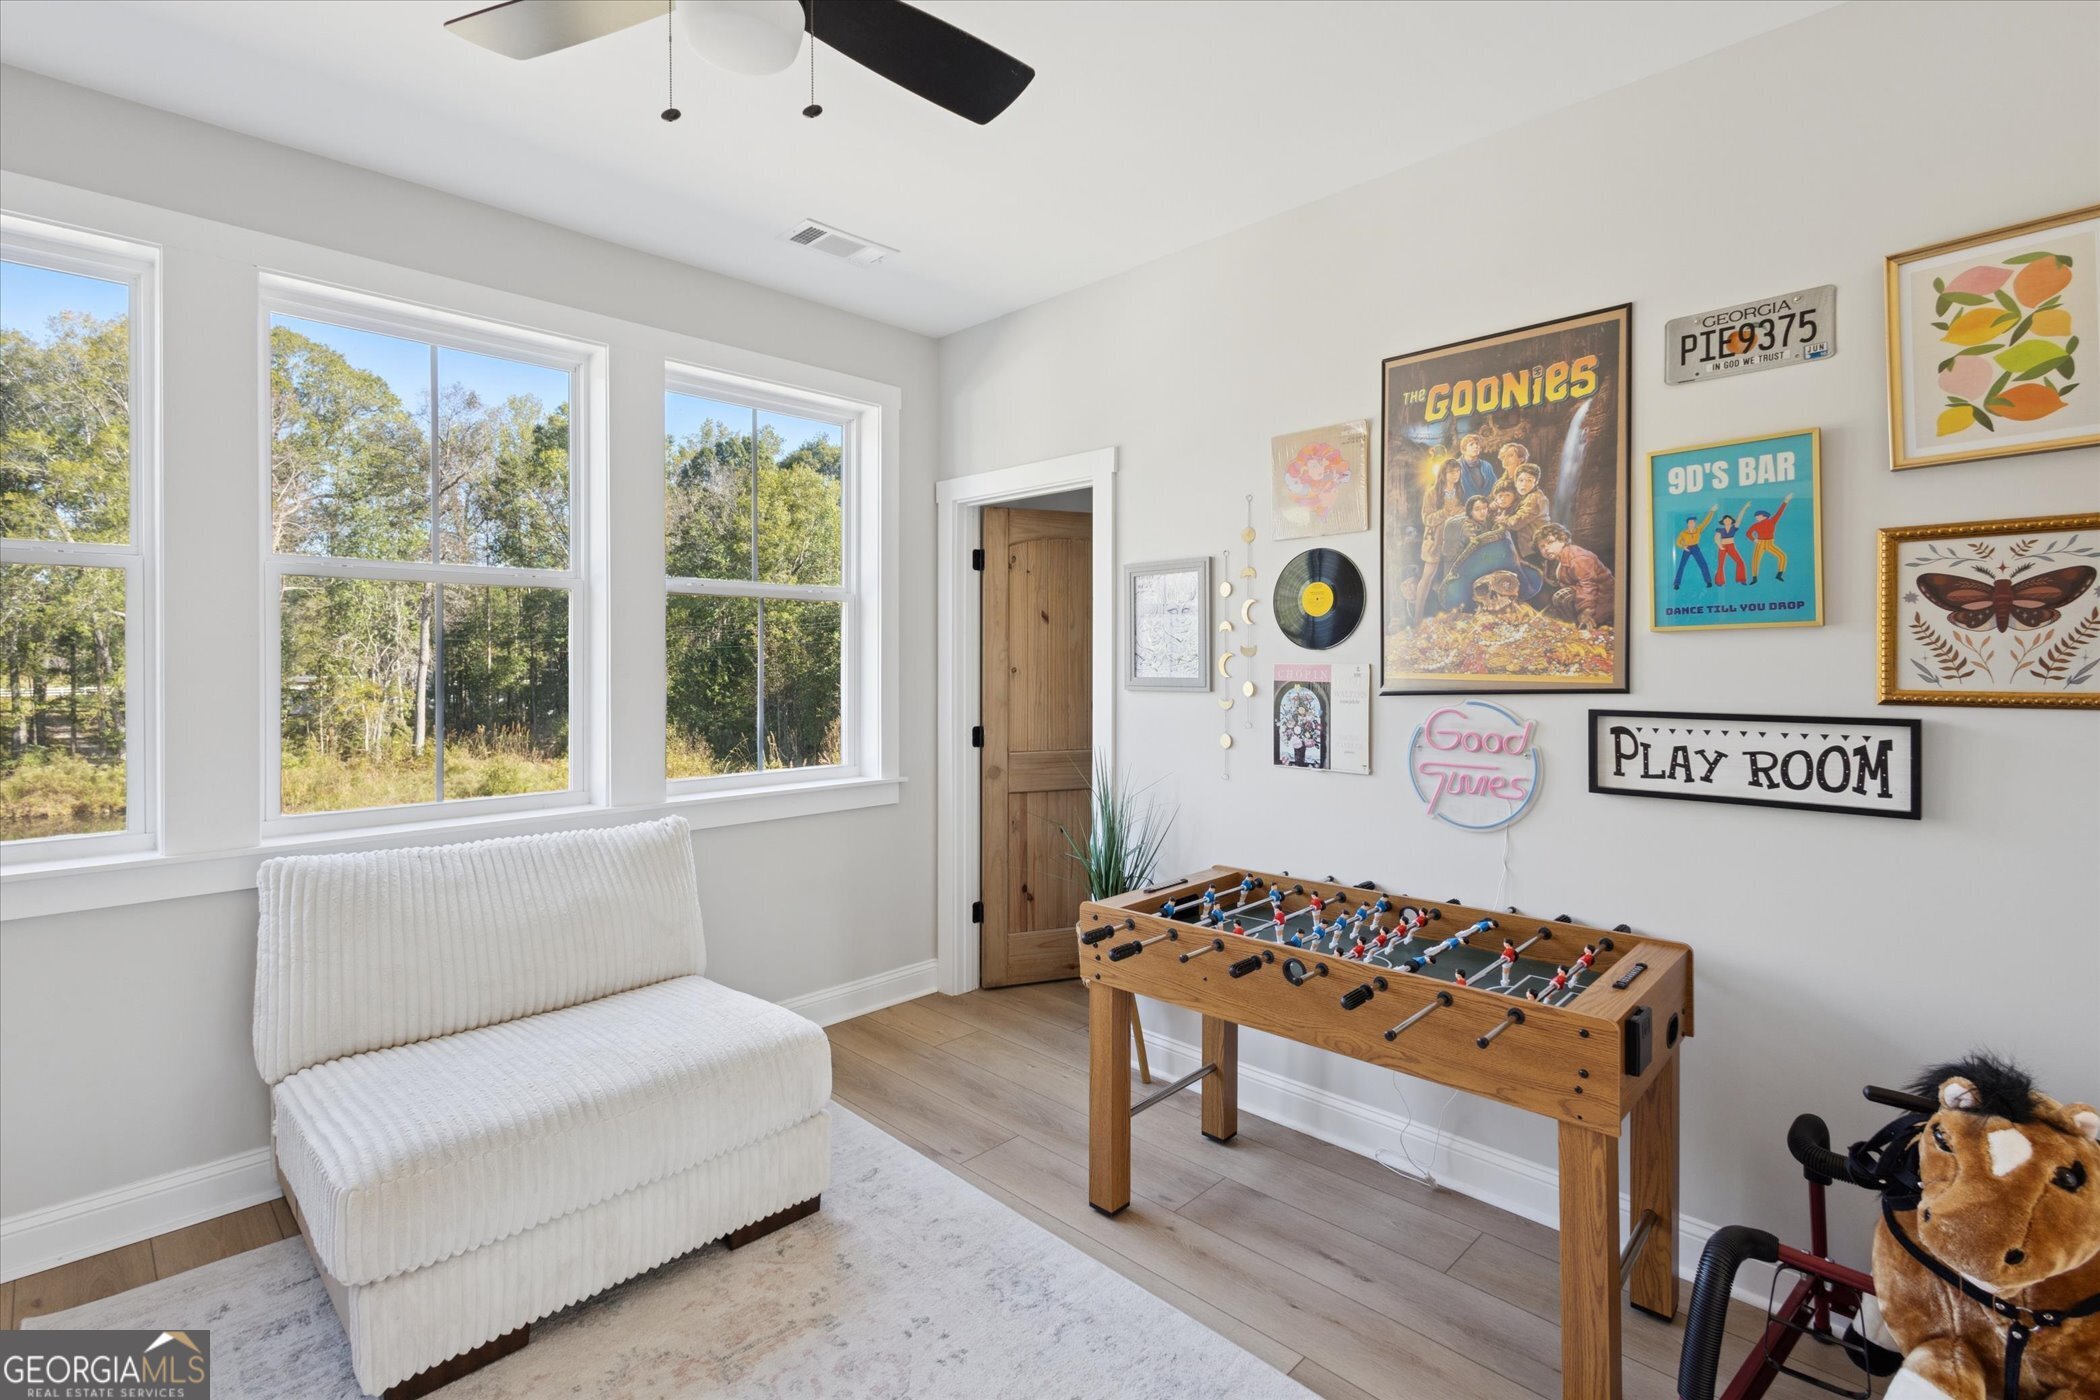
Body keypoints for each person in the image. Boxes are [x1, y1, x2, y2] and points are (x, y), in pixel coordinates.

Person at [1537, 523, 1614, 629]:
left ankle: (1579, 624)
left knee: (1561, 596)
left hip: (1603, 597)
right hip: (1582, 593)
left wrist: (1586, 611)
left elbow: (1588, 586)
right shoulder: (1554, 560)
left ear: (1562, 540)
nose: (1546, 548)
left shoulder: (1578, 558)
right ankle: (1573, 622)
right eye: (1542, 546)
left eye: (1550, 542)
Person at [1415, 458, 1466, 616]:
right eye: (1451, 471)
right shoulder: (1432, 492)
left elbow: (1460, 511)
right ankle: (1417, 615)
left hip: (1453, 539)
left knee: (1453, 576)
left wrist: (1460, 511)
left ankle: (1453, 613)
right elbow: (1427, 518)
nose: (1455, 475)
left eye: (1457, 471)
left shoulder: (1459, 491)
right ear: (1443, 473)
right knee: (1427, 577)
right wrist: (1445, 512)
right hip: (1434, 540)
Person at [1503, 463, 1552, 560]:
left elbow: (1516, 523)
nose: (1524, 484)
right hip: (1528, 547)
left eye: (1529, 480)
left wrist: (1504, 520)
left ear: (1536, 483)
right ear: (1516, 482)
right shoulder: (1525, 496)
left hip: (1532, 549)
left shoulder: (1534, 498)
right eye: (1521, 480)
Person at [1746, 492, 1793, 582]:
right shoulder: (1755, 525)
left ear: (1764, 516)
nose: (1756, 517)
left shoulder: (1772, 521)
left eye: (1758, 516)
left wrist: (1786, 501)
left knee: (1782, 556)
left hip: (1770, 543)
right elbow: (1748, 533)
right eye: (1756, 516)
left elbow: (1779, 512)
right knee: (1755, 560)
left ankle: (1779, 574)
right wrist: (1754, 539)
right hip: (1760, 543)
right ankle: (1754, 578)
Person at [1672, 504, 1716, 589]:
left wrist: (1712, 511)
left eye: (1693, 522)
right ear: (1687, 523)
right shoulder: (1683, 533)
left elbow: (1706, 521)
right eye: (1690, 522)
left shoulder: (1698, 529)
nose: (1692, 523)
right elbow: (1677, 542)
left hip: (1696, 547)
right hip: (1687, 548)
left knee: (1703, 563)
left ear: (1695, 523)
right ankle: (1676, 584)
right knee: (1682, 565)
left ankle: (1708, 582)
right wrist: (1683, 547)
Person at [1712, 503, 1749, 587]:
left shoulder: (1734, 528)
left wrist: (1745, 507)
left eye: (1729, 520)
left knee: (1740, 562)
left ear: (1731, 521)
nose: (1727, 521)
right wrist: (1720, 546)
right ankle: (1719, 581)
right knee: (1721, 564)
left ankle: (1741, 579)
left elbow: (1739, 518)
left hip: (1731, 546)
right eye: (1725, 520)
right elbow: (1716, 538)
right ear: (1723, 522)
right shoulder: (1720, 529)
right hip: (1722, 547)